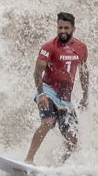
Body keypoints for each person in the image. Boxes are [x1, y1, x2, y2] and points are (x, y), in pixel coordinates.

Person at [24, 12, 89, 165]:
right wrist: (41, 94)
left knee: (73, 139)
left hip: (65, 98)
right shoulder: (49, 47)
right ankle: (28, 160)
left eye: (66, 28)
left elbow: (84, 72)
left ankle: (59, 166)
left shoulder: (81, 48)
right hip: (48, 90)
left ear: (73, 28)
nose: (62, 31)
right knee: (48, 121)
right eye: (60, 27)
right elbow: (38, 71)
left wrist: (86, 96)